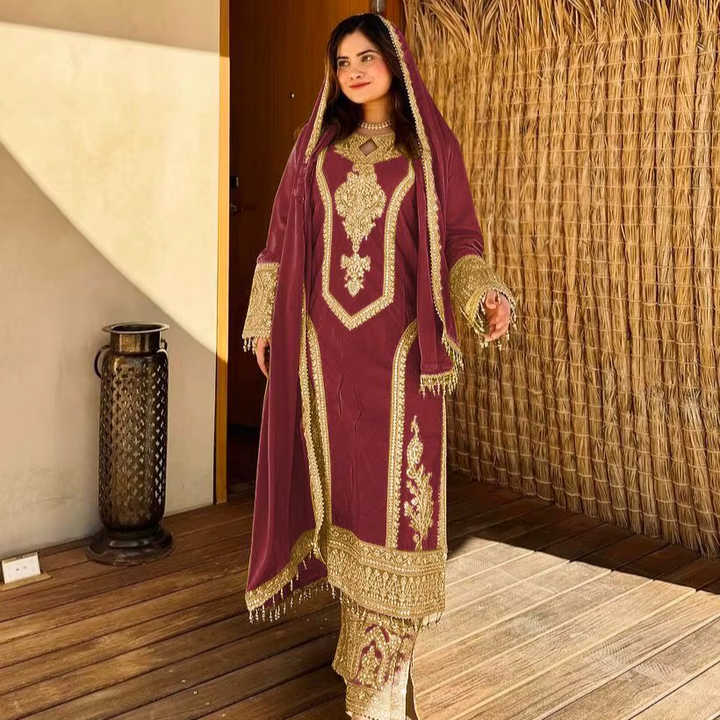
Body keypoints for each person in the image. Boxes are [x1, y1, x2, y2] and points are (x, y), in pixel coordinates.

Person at [240, 12, 517, 720]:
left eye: (367, 56)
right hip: (325, 360)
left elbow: (459, 240)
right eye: (343, 62)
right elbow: (281, 234)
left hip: (401, 366)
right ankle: (373, 679)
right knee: (346, 509)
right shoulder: (317, 150)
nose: (355, 71)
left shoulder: (431, 153)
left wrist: (482, 296)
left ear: (395, 60)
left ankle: (377, 688)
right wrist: (265, 319)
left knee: (396, 517)